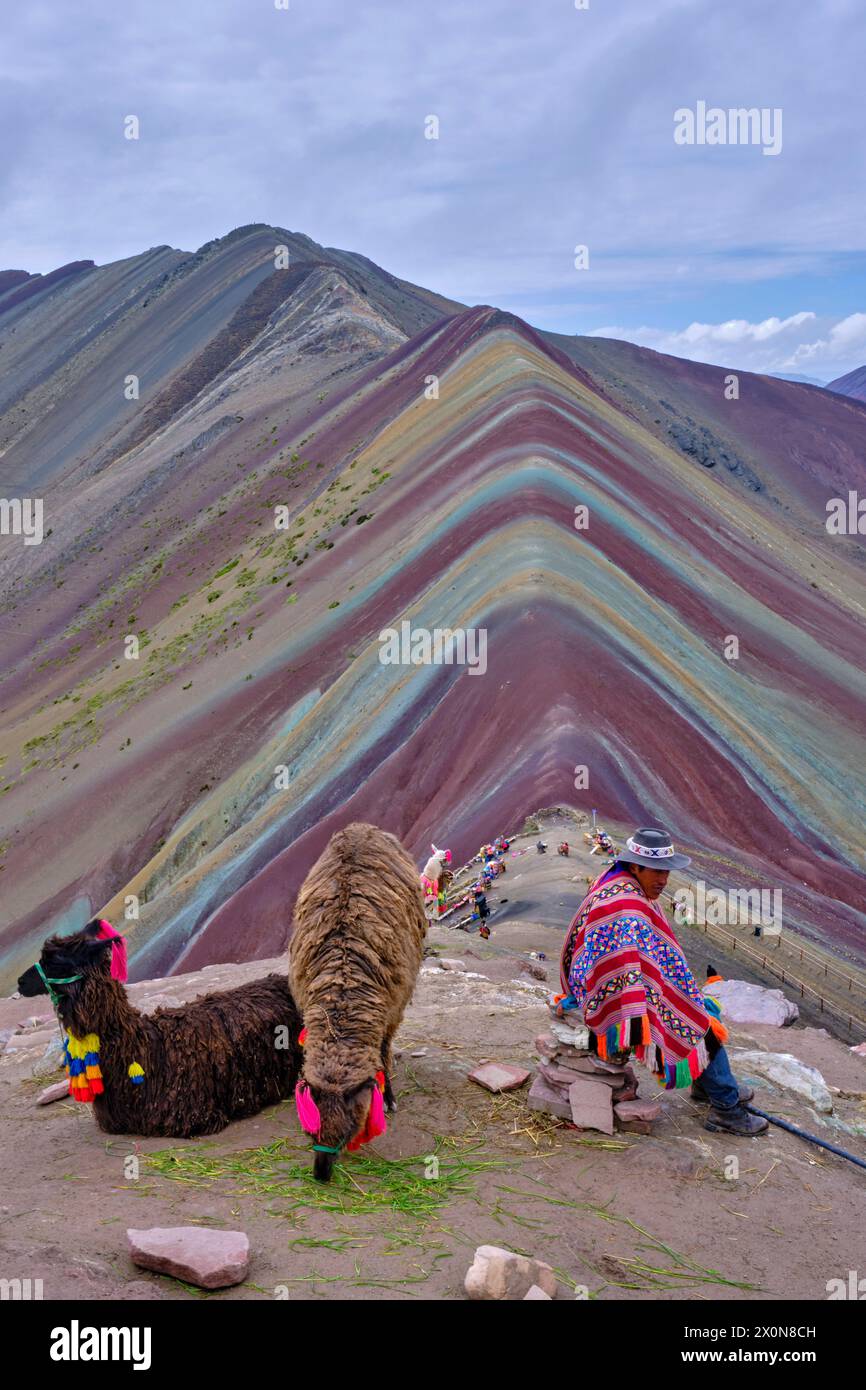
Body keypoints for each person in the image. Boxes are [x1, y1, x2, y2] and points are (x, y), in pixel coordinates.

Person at [558, 826, 766, 1137]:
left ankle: (705, 1086)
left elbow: (647, 961)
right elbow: (624, 969)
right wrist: (673, 997)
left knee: (694, 1005)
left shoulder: (621, 884)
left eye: (666, 872)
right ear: (636, 865)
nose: (663, 880)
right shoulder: (625, 907)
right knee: (695, 1020)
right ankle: (726, 1109)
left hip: (607, 983)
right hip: (607, 996)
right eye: (656, 871)